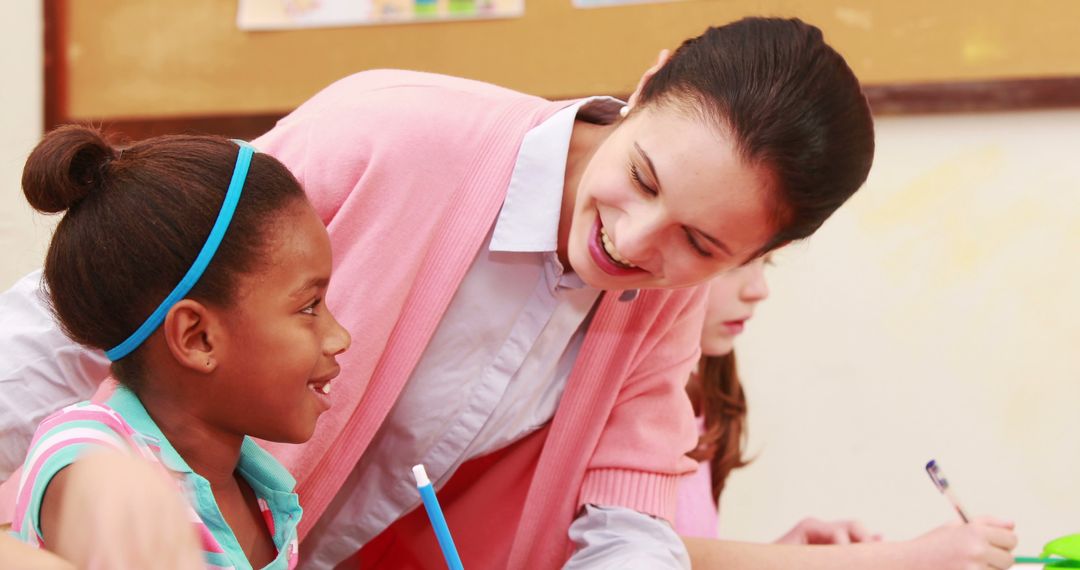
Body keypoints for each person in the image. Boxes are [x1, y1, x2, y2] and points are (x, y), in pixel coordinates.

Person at [1, 18, 875, 568]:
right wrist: (81, 477)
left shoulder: (666, 304)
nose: (636, 242)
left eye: (701, 243)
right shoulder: (391, 131)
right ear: (646, 88)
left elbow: (627, 516)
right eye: (644, 177)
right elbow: (106, 286)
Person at [7, 126, 351, 568]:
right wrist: (103, 489)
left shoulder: (263, 496)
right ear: (196, 337)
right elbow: (82, 464)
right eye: (309, 306)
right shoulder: (97, 451)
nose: (340, 337)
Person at [675, 260, 1019, 569]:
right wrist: (899, 560)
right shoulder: (635, 393)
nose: (759, 289)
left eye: (767, 262)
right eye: (739, 262)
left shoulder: (711, 384)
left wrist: (787, 557)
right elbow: (642, 554)